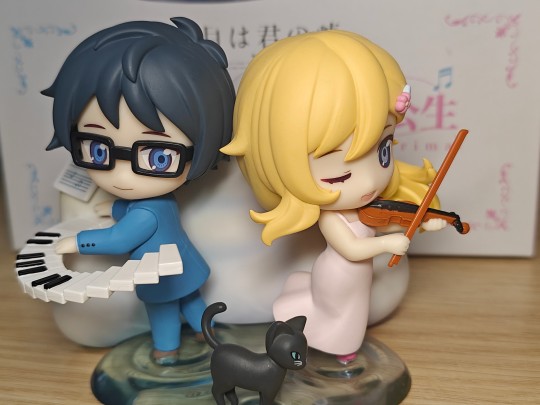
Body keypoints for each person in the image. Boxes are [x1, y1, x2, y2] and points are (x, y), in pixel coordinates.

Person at [222, 30, 445, 364]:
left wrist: (426, 222)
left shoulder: (366, 208)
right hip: (339, 276)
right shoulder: (331, 218)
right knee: (343, 315)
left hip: (356, 276)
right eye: (339, 175)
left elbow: (385, 224)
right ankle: (342, 350)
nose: (369, 182)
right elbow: (351, 249)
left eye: (383, 152)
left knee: (353, 311)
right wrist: (387, 244)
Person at [43, 17, 235, 365]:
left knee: (163, 312)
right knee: (192, 302)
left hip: (162, 274)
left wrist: (78, 242)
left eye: (158, 157)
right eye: (98, 149)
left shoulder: (148, 210)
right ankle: (209, 334)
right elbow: (129, 215)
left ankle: (166, 351)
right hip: (184, 266)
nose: (120, 175)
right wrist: (113, 210)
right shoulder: (155, 203)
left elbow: (119, 239)